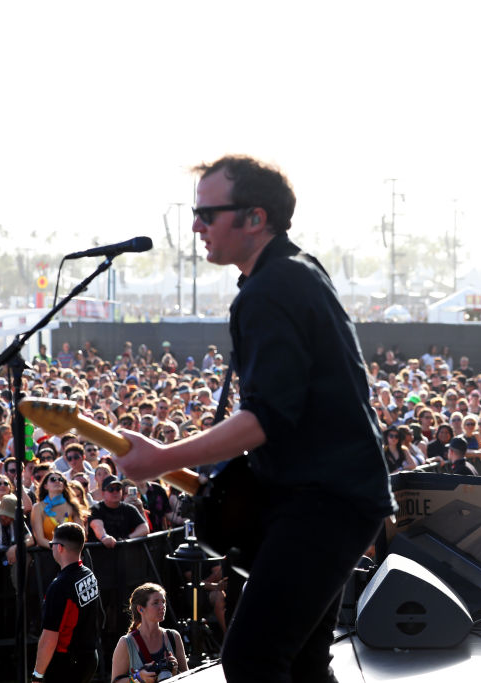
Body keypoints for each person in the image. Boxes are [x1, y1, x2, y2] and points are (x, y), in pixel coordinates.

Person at [116, 155, 395, 683]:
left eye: (206, 213)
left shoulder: (273, 289)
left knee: (252, 659)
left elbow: (265, 417)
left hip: (324, 502)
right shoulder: (293, 274)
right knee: (303, 661)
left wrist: (160, 459)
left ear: (254, 218)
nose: (195, 225)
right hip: (336, 498)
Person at [32, 522, 100, 683]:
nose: (51, 547)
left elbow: (49, 638)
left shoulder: (60, 586)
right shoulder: (88, 574)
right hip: (88, 657)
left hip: (66, 665)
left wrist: (37, 675)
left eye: (52, 544)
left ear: (60, 547)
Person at [111, 583, 188, 683]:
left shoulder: (173, 636)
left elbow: (187, 676)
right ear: (140, 609)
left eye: (163, 602)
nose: (162, 606)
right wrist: (138, 678)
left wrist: (175, 671)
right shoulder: (126, 643)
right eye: (156, 603)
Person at [88, 475, 149, 546]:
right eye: (111, 489)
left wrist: (127, 539)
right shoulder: (96, 509)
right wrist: (104, 537)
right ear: (103, 493)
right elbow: (97, 526)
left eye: (118, 488)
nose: (115, 492)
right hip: (100, 552)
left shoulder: (129, 508)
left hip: (124, 553)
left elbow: (144, 528)